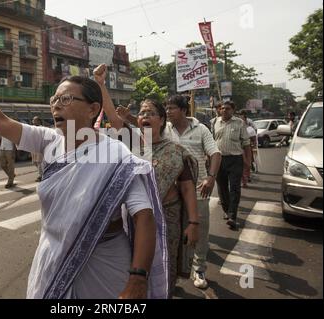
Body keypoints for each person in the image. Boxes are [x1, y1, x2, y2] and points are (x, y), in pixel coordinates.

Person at [0, 36, 168, 299]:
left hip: (106, 263)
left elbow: (144, 216)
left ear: (93, 109)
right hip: (53, 258)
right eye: (54, 99)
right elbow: (0, 122)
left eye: (67, 99)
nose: (56, 105)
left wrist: (138, 277)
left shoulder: (118, 155)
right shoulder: (49, 139)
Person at [94, 64, 199, 297]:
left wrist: (193, 223)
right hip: (133, 219)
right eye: (141, 113)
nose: (144, 116)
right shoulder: (130, 142)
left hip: (168, 221)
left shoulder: (176, 151)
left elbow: (187, 188)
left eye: (150, 113)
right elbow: (112, 115)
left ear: (162, 120)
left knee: (164, 269)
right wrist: (101, 84)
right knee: (134, 270)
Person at [163, 95, 222, 290]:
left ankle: (199, 269)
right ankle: (176, 272)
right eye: (166, 108)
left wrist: (211, 178)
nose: (168, 111)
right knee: (175, 233)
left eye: (172, 108)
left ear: (183, 110)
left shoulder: (201, 129)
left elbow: (215, 153)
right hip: (172, 194)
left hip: (198, 192)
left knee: (200, 232)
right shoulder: (165, 129)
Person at [211, 101, 251, 230]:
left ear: (233, 110)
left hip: (235, 159)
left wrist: (248, 161)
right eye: (222, 108)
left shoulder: (239, 123)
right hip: (219, 159)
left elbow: (246, 143)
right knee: (222, 188)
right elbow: (211, 142)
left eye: (227, 109)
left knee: (234, 188)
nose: (224, 111)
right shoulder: (214, 122)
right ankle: (227, 210)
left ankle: (233, 216)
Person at [31, 116, 44, 182]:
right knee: (34, 162)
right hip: (33, 148)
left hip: (39, 147)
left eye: (35, 120)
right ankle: (42, 173)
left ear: (39, 121)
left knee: (39, 162)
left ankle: (41, 176)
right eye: (33, 120)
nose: (33, 121)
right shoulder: (33, 128)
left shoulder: (42, 128)